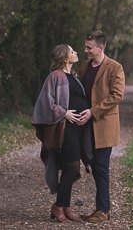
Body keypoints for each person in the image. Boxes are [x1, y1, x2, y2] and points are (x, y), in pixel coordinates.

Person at [31, 44, 93, 223]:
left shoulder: (73, 76)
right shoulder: (55, 76)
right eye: (72, 51)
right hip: (66, 129)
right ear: (65, 58)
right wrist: (63, 112)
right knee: (72, 168)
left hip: (78, 128)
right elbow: (45, 102)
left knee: (71, 169)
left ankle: (65, 206)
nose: (75, 53)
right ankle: (58, 206)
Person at [75, 30, 125, 223]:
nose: (85, 50)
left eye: (89, 47)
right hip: (85, 125)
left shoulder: (115, 67)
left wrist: (93, 111)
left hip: (103, 125)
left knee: (101, 166)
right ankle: (102, 208)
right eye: (85, 47)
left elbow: (117, 96)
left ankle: (103, 210)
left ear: (100, 47)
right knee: (93, 166)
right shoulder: (85, 66)